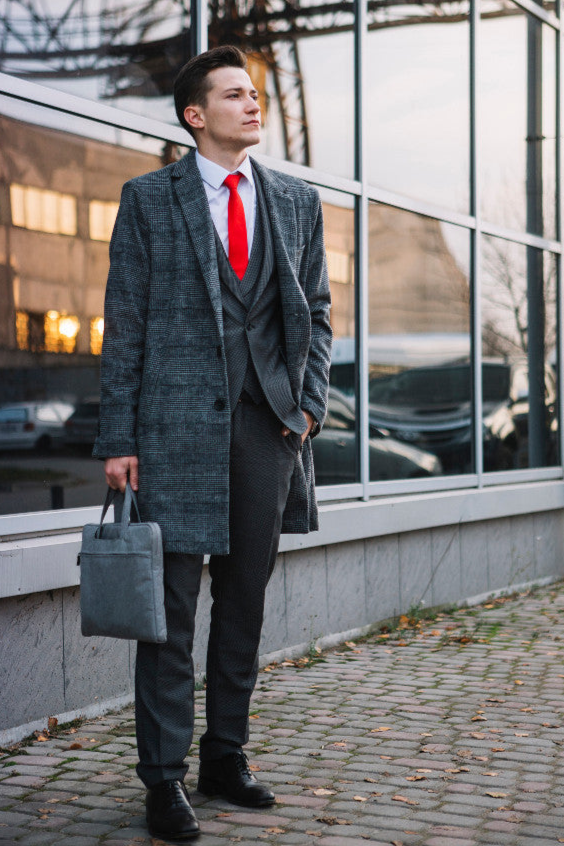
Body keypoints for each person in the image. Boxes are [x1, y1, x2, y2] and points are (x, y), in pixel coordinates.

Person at [93, 44, 332, 841]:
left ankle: (225, 756)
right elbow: (124, 324)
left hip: (267, 430)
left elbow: (319, 314)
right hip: (169, 433)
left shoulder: (296, 201)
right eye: (235, 95)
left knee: (244, 606)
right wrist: (118, 436)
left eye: (256, 92)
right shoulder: (149, 200)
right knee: (167, 614)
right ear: (196, 116)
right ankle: (163, 781)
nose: (252, 103)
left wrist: (306, 410)